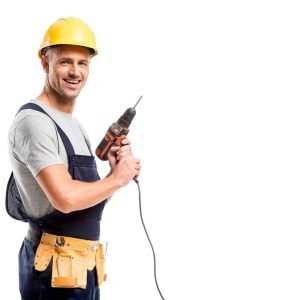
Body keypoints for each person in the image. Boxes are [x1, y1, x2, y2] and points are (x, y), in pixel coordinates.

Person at [7, 17, 141, 300]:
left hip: (80, 266)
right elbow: (65, 198)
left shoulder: (74, 124)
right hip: (53, 268)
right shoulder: (35, 122)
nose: (75, 72)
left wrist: (113, 179)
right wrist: (117, 179)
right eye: (65, 62)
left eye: (83, 63)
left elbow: (85, 204)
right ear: (45, 63)